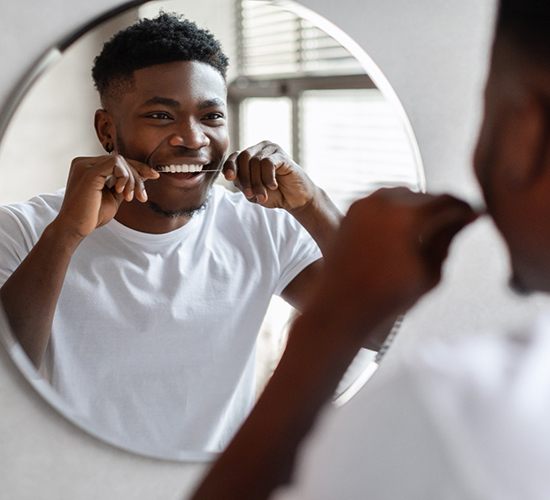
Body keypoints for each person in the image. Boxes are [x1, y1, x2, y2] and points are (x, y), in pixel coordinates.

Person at [190, 0, 550, 497]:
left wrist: (333, 317)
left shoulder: (455, 414)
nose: (189, 140)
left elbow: (376, 332)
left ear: (522, 131)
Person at [0, 13, 343, 454]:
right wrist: (65, 234)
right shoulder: (23, 230)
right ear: (107, 130)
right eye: (161, 115)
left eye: (211, 115)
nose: (192, 139)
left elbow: (384, 327)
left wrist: (312, 203)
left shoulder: (263, 225)